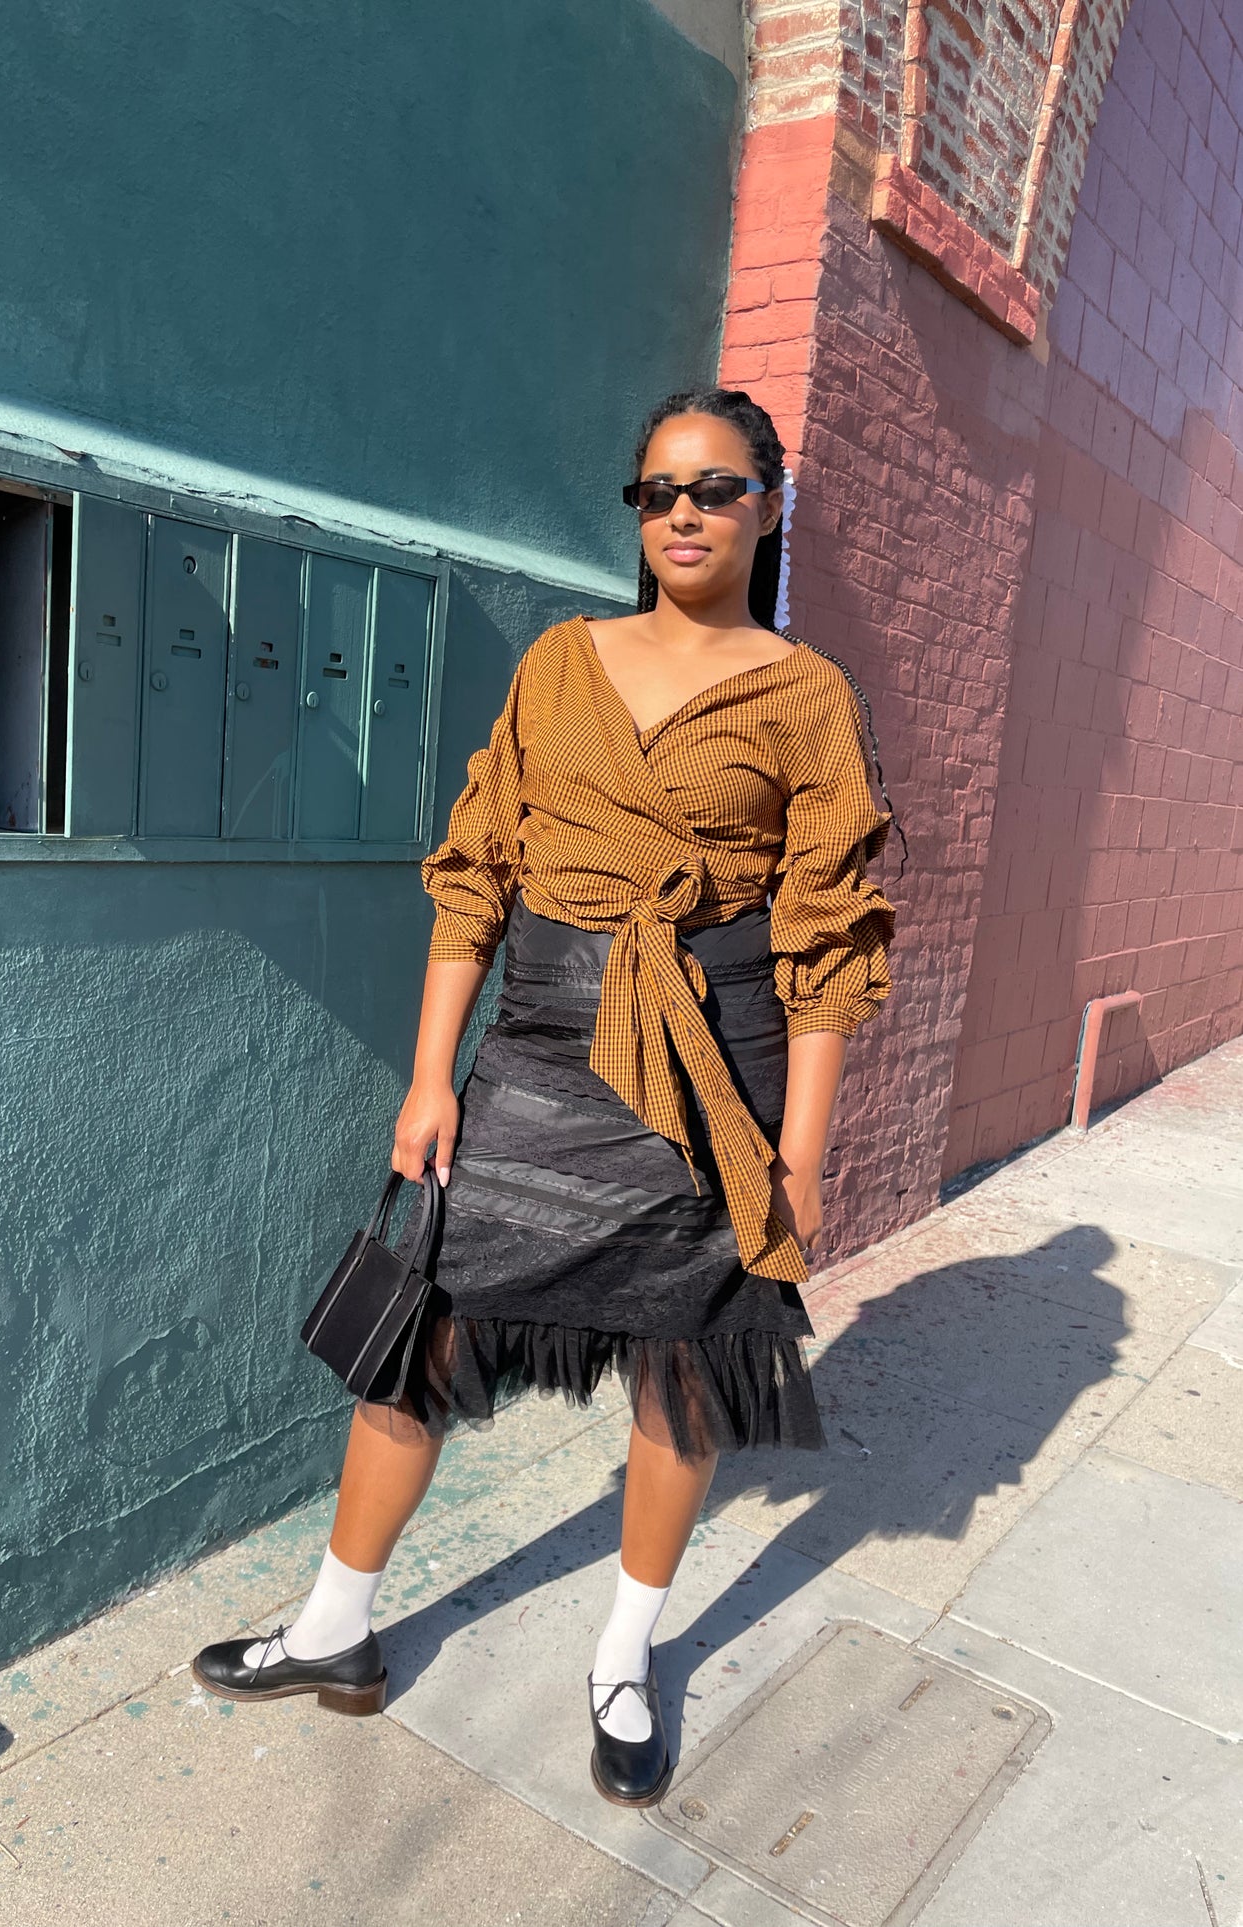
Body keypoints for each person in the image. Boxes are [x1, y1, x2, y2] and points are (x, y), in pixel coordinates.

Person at [193, 387, 899, 1809]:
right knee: (418, 1348)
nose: (682, 515)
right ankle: (336, 1627)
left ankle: (626, 1657)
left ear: (767, 501)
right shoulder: (560, 664)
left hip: (714, 1066)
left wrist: (803, 1156)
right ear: (633, 514)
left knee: (686, 1370)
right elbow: (476, 875)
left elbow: (828, 935)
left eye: (713, 488)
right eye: (655, 493)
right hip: (536, 1041)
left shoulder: (803, 695)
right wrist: (427, 1078)